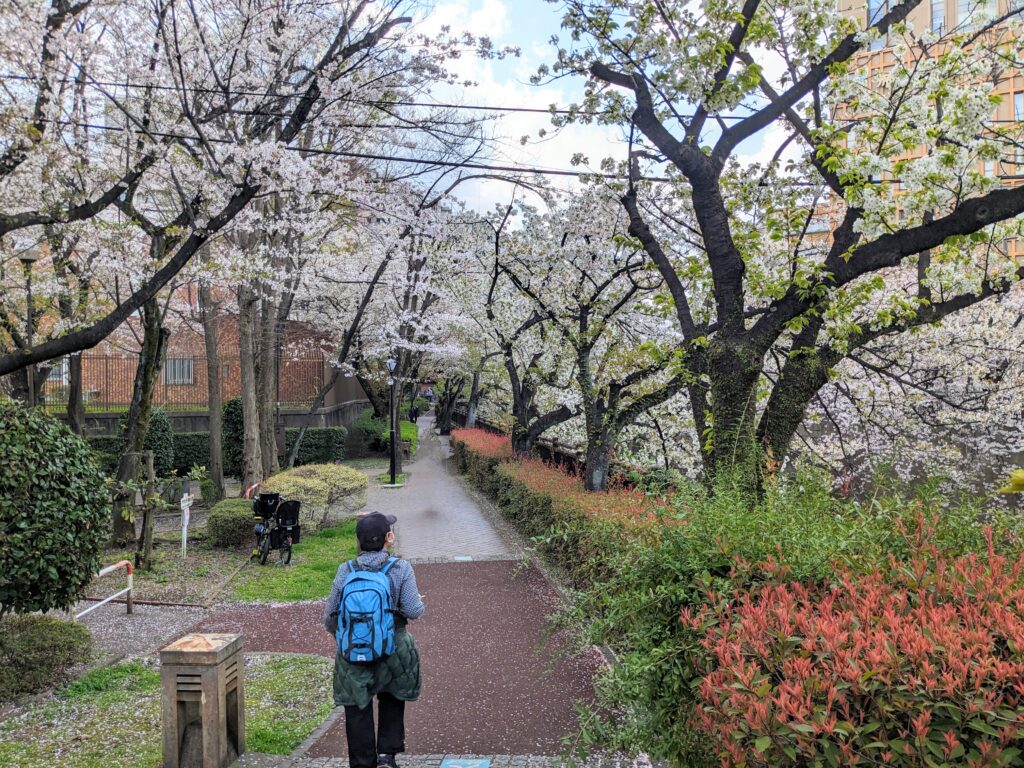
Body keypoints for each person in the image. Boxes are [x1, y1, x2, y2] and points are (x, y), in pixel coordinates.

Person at [324, 512, 425, 768]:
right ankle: (386, 757)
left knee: (356, 705)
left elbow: (329, 617)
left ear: (358, 541)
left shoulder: (345, 570)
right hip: (394, 646)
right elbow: (413, 611)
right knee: (392, 695)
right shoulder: (401, 568)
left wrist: (351, 636)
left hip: (353, 651)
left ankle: (362, 763)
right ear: (388, 538)